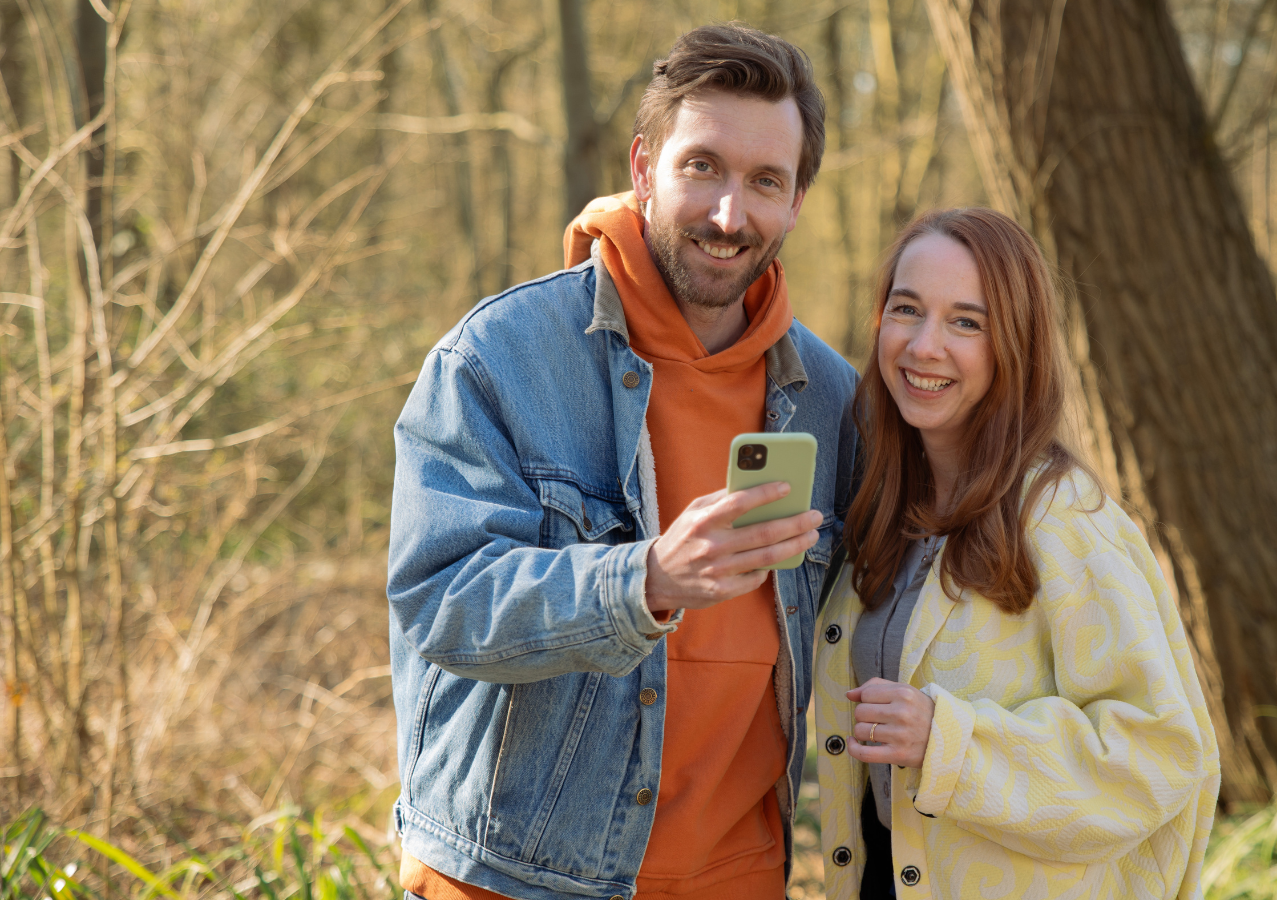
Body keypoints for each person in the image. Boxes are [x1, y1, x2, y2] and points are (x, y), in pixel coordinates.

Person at [387, 24, 858, 900]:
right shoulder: (497, 358)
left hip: (740, 880)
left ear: (797, 201)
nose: (730, 214)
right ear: (645, 170)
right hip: (516, 879)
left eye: (766, 181)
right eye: (702, 167)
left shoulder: (834, 401)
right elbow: (438, 600)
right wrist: (642, 581)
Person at [812, 208, 1221, 899]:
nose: (924, 345)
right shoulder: (886, 510)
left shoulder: (1064, 522)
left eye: (965, 322)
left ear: (1016, 346)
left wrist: (951, 742)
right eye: (906, 310)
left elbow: (1160, 753)